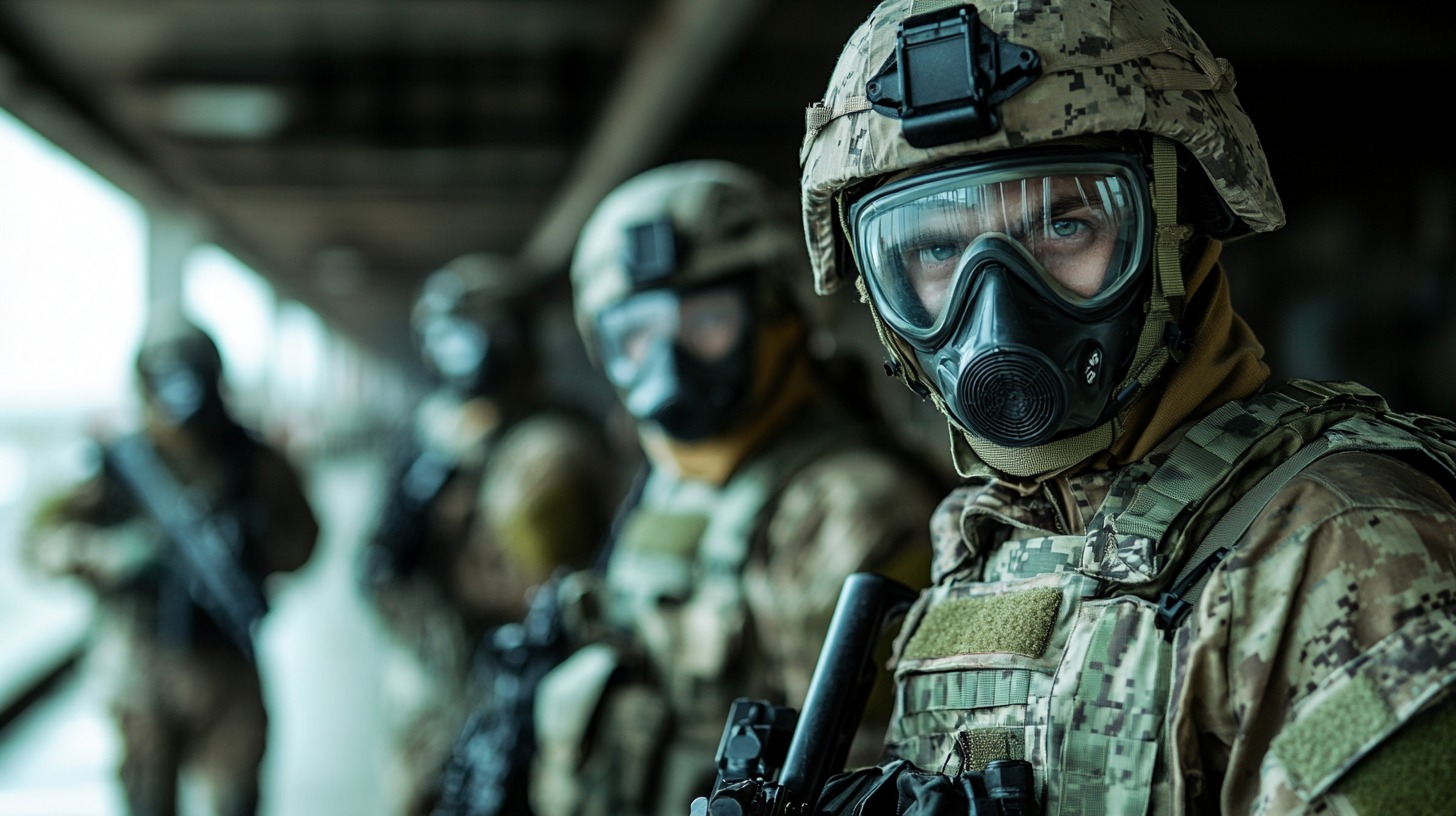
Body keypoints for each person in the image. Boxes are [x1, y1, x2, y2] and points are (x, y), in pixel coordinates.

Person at [785, 0, 1456, 813]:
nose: (995, 305)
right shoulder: (990, 537)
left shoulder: (1348, 546)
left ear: (1179, 230)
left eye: (1064, 224)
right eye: (936, 249)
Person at [529, 159, 949, 816]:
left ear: (784, 313)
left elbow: (871, 776)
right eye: (637, 336)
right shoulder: (667, 484)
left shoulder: (850, 505)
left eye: (706, 323)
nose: (669, 368)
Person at [356, 253, 624, 816]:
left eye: (481, 331)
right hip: (435, 676)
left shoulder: (560, 442)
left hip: (537, 679)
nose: (462, 351)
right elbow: (376, 564)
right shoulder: (427, 436)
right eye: (445, 335)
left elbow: (602, 569)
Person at [22, 317, 319, 816]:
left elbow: (305, 543)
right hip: (141, 661)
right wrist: (109, 554)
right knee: (146, 800)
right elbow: (39, 543)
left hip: (226, 659)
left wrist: (253, 539)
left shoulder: (253, 459)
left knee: (236, 797)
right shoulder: (118, 464)